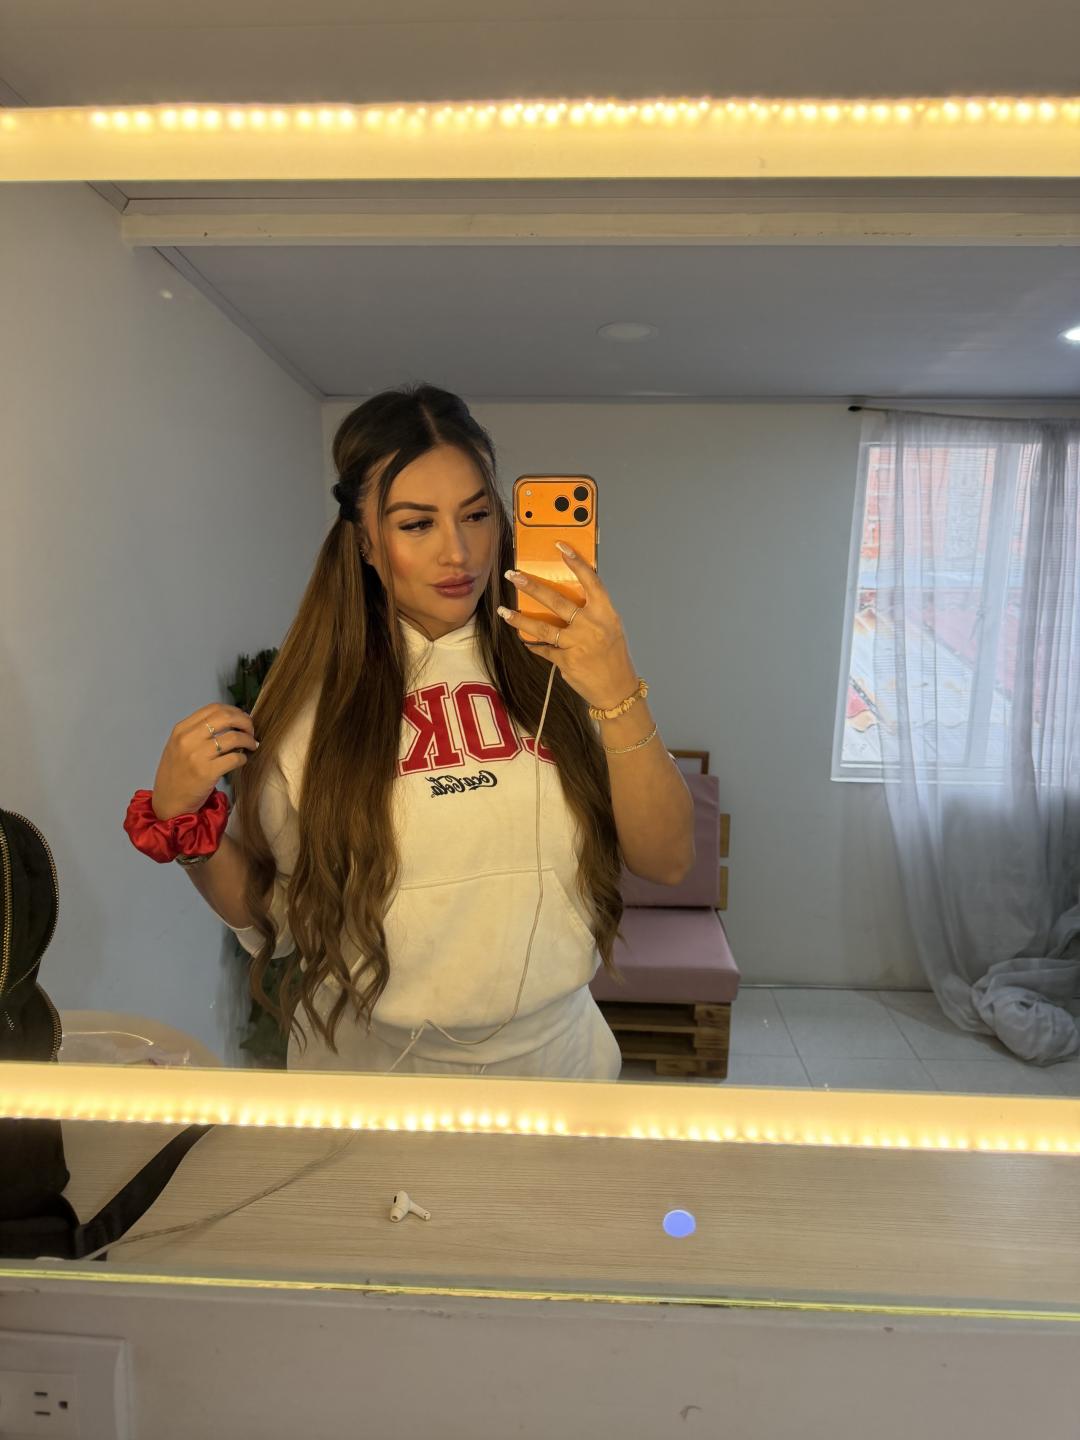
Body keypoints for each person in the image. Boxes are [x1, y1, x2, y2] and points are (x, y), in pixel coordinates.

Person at [128, 384, 694, 1078]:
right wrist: (183, 825)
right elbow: (272, 914)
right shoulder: (309, 700)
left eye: (476, 515)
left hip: (555, 1065)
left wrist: (617, 690)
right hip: (370, 1074)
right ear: (365, 541)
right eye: (417, 524)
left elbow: (667, 860)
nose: (459, 553)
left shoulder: (568, 665)